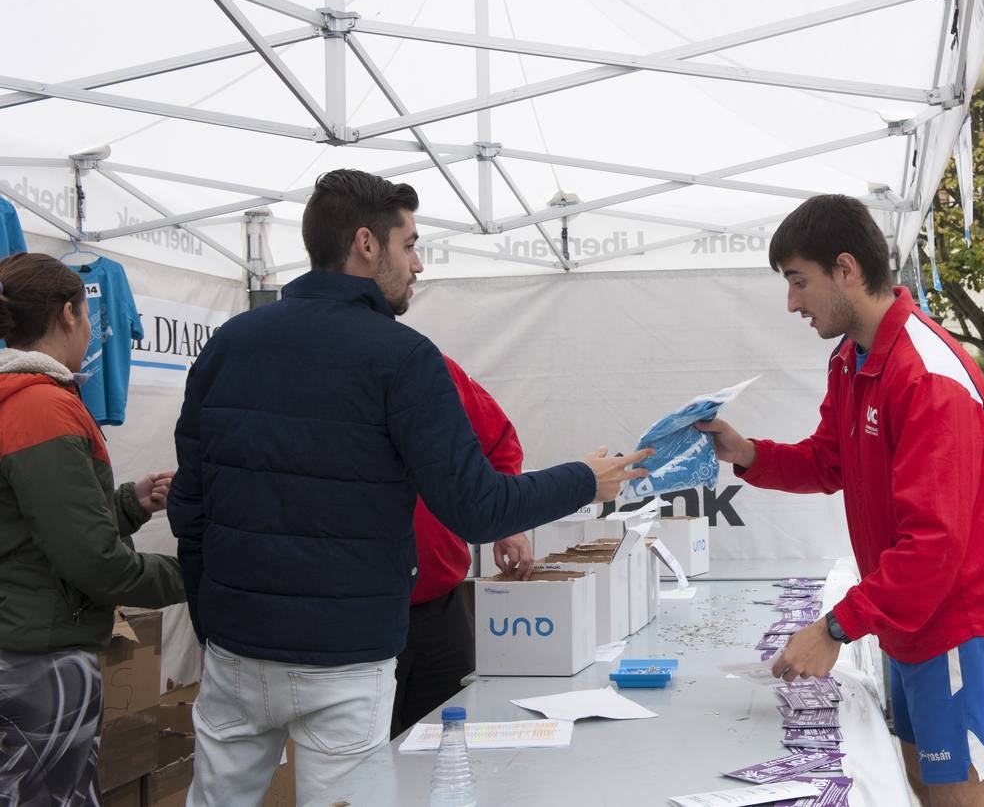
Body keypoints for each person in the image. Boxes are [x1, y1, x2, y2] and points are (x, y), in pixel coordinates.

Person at [168, 169, 651, 806]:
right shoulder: (401, 356)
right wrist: (584, 479)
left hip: (238, 649)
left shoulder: (231, 342)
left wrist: (215, 626)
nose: (418, 265)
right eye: (411, 244)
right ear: (367, 244)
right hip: (343, 658)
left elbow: (189, 507)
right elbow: (475, 507)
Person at [696, 195, 984, 807]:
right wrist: (745, 452)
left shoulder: (928, 375)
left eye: (800, 282)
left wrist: (835, 627)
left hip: (960, 622)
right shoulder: (853, 359)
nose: (792, 302)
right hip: (909, 619)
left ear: (846, 269)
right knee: (924, 790)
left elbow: (935, 545)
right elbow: (829, 462)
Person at [0, 253, 185, 803]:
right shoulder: (39, 408)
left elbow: (27, 521)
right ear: (68, 315)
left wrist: (129, 503)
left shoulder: (18, 402)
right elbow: (93, 562)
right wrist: (196, 575)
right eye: (87, 315)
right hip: (41, 659)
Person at [392, 353, 533, 738]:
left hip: (442, 603)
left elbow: (499, 442)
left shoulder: (428, 364)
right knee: (369, 760)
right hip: (360, 614)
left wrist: (506, 523)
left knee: (450, 740)